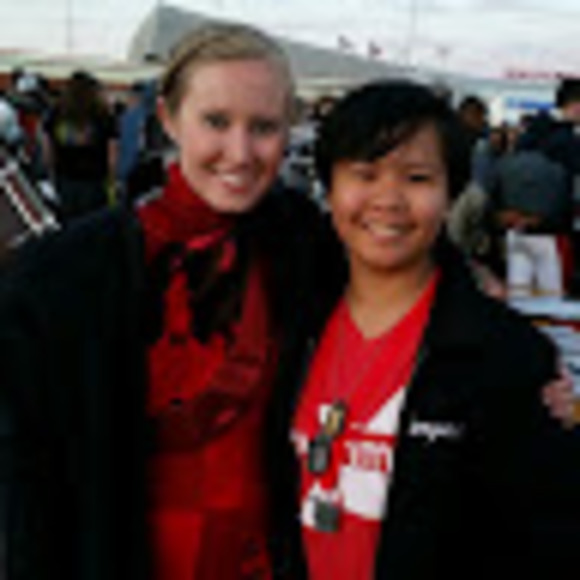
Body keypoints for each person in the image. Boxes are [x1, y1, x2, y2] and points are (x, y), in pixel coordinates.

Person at [0, 24, 573, 580]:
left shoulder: (299, 242)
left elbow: (396, 247)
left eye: (264, 127)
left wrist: (521, 364)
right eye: (216, 122)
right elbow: (27, 474)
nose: (240, 152)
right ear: (168, 118)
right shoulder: (64, 276)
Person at [278, 80, 580, 580]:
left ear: (451, 194)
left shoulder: (507, 353)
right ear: (328, 187)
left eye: (417, 178)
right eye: (364, 174)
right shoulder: (288, 321)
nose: (388, 199)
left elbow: (547, 535)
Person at [42, 70, 117, 222]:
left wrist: (50, 170)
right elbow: (112, 152)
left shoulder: (56, 113)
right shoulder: (103, 115)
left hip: (65, 177)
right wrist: (112, 178)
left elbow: (47, 147)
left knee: (68, 223)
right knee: (92, 224)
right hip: (94, 179)